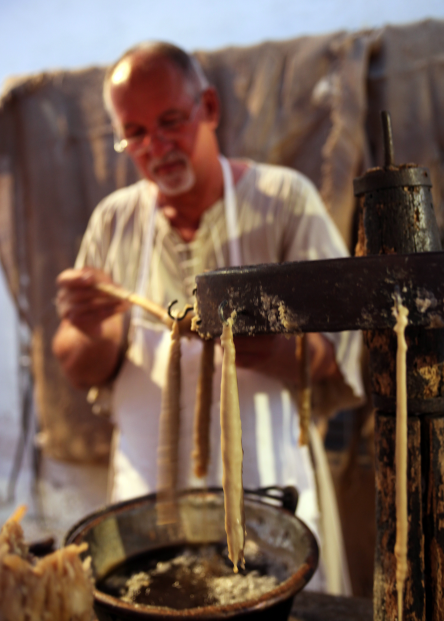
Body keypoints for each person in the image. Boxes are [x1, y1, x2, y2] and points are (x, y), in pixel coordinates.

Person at [52, 41, 364, 593]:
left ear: (210, 108)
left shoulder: (285, 200)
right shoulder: (115, 221)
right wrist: (89, 323)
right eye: (136, 132)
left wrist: (271, 347)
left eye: (171, 121)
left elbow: (336, 356)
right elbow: (80, 366)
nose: (156, 146)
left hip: (269, 497)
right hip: (147, 507)